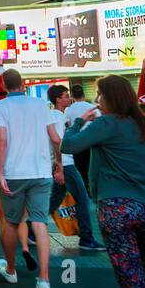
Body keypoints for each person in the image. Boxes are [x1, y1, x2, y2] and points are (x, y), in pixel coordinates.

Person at [61, 75, 145, 288]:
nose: (97, 100)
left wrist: (79, 121)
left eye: (99, 95)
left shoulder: (106, 124)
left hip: (116, 207)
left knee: (130, 275)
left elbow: (68, 145)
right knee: (138, 271)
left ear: (108, 97)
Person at [0, 68, 61, 288]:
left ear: (3, 85)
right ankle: (44, 279)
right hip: (41, 172)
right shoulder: (41, 105)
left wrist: (0, 172)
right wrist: (58, 162)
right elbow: (55, 138)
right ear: (23, 84)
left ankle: (11, 269)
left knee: (11, 222)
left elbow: (2, 140)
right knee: (39, 223)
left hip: (13, 173)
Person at [46, 85, 106, 251]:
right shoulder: (57, 116)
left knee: (54, 200)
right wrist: (60, 167)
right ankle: (86, 238)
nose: (68, 98)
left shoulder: (59, 115)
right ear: (58, 99)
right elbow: (57, 141)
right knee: (82, 198)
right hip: (66, 164)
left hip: (63, 163)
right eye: (65, 96)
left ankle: (30, 227)